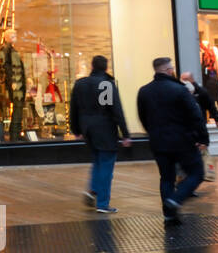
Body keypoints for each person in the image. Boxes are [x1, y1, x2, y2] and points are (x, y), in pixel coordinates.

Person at [137, 57, 209, 224]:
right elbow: (196, 115)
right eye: (172, 68)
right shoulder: (179, 89)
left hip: (158, 141)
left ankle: (169, 215)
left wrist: (153, 132)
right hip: (182, 140)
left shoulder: (144, 91)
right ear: (168, 70)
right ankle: (175, 200)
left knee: (166, 178)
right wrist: (202, 138)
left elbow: (143, 117)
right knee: (196, 173)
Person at [69, 55, 131, 213]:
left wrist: (75, 129)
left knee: (97, 159)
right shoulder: (106, 84)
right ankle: (102, 203)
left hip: (87, 129)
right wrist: (125, 134)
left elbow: (74, 109)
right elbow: (115, 110)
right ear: (106, 67)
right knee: (106, 164)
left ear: (92, 66)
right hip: (104, 129)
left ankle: (93, 189)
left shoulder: (80, 84)